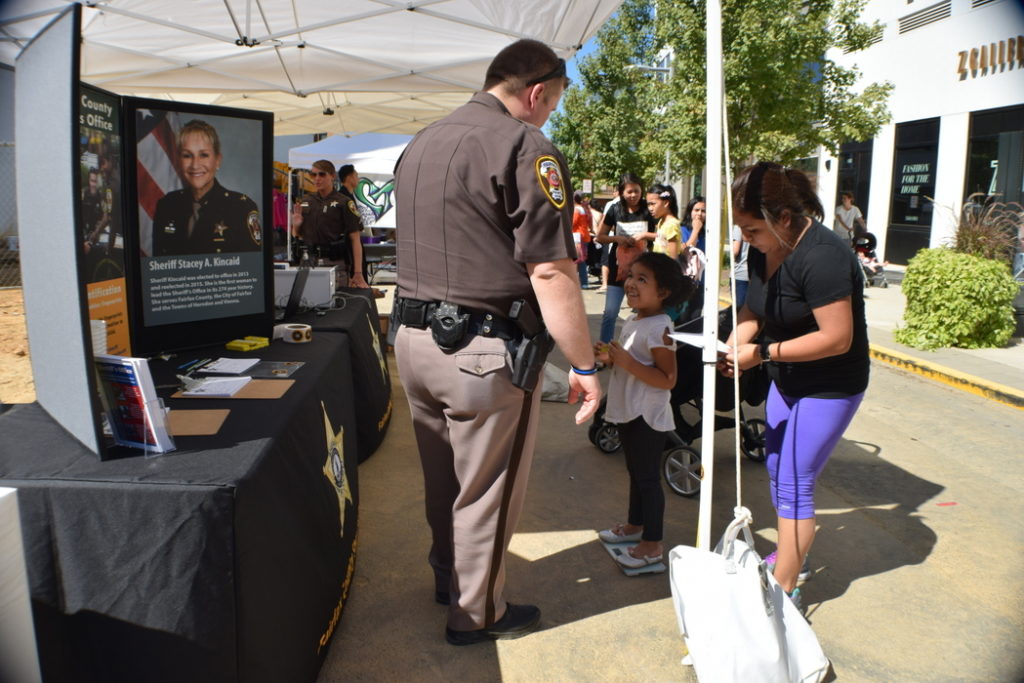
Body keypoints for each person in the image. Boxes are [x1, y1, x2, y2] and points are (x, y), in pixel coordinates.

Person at [392, 38, 602, 646]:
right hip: (482, 353)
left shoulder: (423, 141)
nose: (550, 113)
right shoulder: (525, 145)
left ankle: (449, 579)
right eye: (554, 100)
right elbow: (550, 270)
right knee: (485, 491)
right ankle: (476, 611)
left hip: (412, 340)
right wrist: (584, 363)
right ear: (537, 92)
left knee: (445, 481)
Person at [718, 162, 869, 611]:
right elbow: (754, 310)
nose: (746, 239)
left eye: (751, 229)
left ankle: (784, 590)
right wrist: (732, 346)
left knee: (796, 482)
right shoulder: (765, 250)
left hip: (830, 385)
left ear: (784, 218)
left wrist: (761, 355)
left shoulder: (823, 256)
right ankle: (790, 557)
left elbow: (835, 337)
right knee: (779, 469)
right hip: (786, 380)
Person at [595, 252, 694, 567]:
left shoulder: (660, 327)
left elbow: (668, 379)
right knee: (635, 473)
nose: (631, 284)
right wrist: (612, 357)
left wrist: (627, 362)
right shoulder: (637, 319)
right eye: (631, 275)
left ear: (663, 292)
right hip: (628, 408)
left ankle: (652, 543)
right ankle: (635, 526)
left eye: (642, 279)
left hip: (647, 415)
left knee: (648, 479)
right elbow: (629, 361)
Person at [152, 119, 262, 256]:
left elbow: (250, 268)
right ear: (179, 161)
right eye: (187, 155)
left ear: (217, 160)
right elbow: (158, 267)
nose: (195, 165)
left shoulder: (240, 208)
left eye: (203, 155)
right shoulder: (167, 205)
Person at [291, 160, 370, 289]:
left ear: (332, 176)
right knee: (307, 303)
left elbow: (355, 239)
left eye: (322, 174)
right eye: (313, 175)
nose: (317, 179)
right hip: (308, 261)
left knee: (336, 303)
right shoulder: (306, 201)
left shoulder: (344, 202)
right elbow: (297, 234)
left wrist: (358, 272)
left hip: (334, 262)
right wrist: (296, 224)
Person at [595, 173, 652, 343]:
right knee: (610, 313)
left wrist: (644, 235)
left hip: (644, 270)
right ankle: (604, 350)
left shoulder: (648, 209)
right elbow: (600, 236)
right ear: (621, 192)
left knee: (644, 313)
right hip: (618, 269)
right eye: (629, 192)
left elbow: (662, 234)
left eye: (636, 191)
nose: (633, 195)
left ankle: (639, 350)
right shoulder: (614, 209)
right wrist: (617, 239)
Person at [639, 183, 681, 259]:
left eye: (653, 204)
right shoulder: (662, 221)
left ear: (665, 203)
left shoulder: (671, 225)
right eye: (648, 205)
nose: (650, 208)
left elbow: (673, 258)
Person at [572, 191, 593, 288]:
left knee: (578, 260)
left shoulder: (577, 209)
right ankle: (584, 282)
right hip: (584, 236)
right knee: (582, 259)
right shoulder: (585, 209)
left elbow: (572, 223)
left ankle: (582, 282)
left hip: (577, 236)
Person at [731, 224, 750, 307]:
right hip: (757, 275)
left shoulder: (739, 226)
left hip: (740, 274)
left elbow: (734, 251)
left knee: (739, 310)